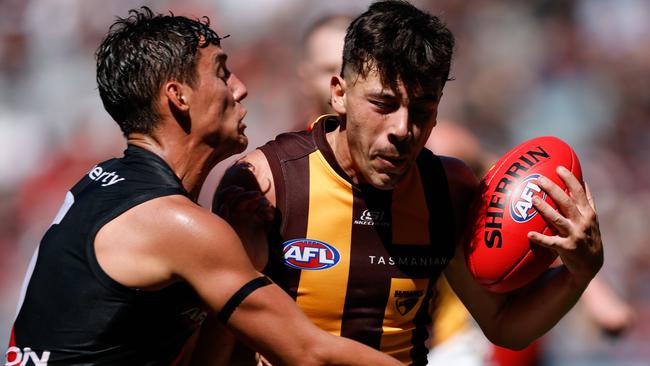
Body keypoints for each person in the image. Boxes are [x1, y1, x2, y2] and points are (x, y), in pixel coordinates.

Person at [4, 7, 405, 366]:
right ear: (178, 96)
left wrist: (241, 264)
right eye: (221, 72)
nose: (240, 88)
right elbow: (310, 354)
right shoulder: (174, 223)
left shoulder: (105, 183)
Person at [212, 1, 604, 365]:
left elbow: (505, 327)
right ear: (339, 94)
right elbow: (223, 336)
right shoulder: (267, 184)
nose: (403, 129)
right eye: (383, 104)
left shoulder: (446, 189)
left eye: (421, 109)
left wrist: (579, 272)